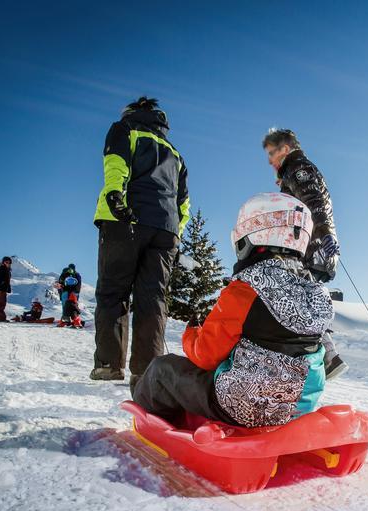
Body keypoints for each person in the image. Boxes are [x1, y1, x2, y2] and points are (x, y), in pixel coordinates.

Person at [134, 193, 333, 428]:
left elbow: (205, 356)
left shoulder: (246, 287)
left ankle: (149, 421)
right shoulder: (318, 293)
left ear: (249, 235)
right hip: (298, 408)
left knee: (162, 369)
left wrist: (191, 333)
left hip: (244, 403)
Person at [91, 97, 189, 390]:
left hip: (126, 219)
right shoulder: (175, 154)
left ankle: (109, 365)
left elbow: (116, 164)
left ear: (132, 113)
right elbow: (184, 203)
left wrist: (114, 195)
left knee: (113, 291)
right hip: (165, 229)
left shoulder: (125, 130)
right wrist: (176, 233)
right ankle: (146, 370)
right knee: (153, 299)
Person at [261, 128, 346, 378]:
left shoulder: (298, 168)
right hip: (315, 246)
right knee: (301, 303)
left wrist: (323, 233)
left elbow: (313, 201)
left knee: (290, 301)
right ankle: (327, 358)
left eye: (272, 153)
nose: (269, 160)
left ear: (285, 149)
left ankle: (322, 359)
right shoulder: (294, 171)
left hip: (312, 248)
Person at [0, 256, 12, 322]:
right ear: (3, 262)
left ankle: (2, 318)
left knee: (3, 304)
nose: (8, 263)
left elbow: (7, 280)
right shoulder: (0, 268)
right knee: (1, 303)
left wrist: (8, 289)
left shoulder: (7, 269)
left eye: (9, 262)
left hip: (3, 289)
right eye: (6, 262)